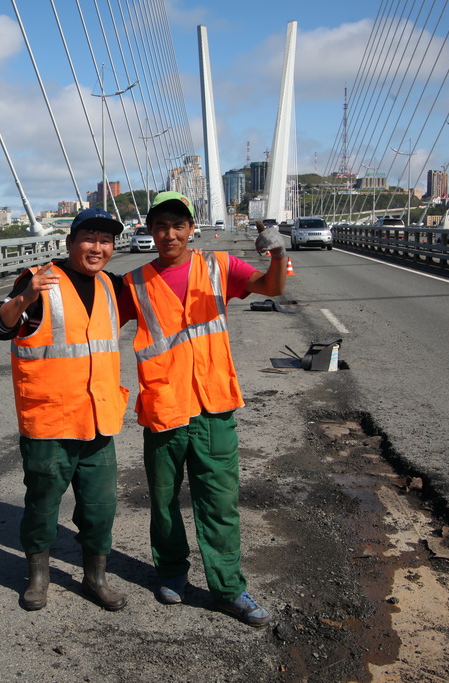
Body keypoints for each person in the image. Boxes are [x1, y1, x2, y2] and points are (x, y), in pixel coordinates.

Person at [122, 191, 287, 627]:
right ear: (150, 231)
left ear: (192, 229)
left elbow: (271, 288)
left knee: (218, 502)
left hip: (213, 407)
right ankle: (173, 573)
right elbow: (93, 317)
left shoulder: (218, 266)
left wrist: (278, 252)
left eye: (178, 225)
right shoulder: (135, 283)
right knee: (162, 501)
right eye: (160, 226)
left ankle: (229, 589)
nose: (169, 234)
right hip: (163, 408)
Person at [0, 207, 130, 612]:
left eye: (106, 240)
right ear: (69, 242)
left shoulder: (111, 287)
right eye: (89, 238)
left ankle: (95, 577)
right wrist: (25, 297)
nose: (97, 248)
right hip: (49, 423)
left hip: (99, 420)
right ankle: (38, 577)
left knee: (101, 509)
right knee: (43, 505)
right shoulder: (38, 281)